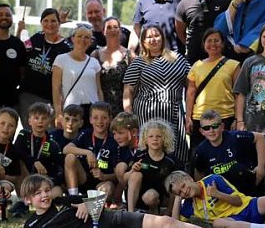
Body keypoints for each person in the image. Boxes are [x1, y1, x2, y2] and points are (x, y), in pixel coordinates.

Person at [22, 174, 249, 228]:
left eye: (46, 190)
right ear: (27, 200)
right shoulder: (32, 225)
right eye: (38, 194)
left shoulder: (63, 201)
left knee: (167, 222)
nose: (44, 196)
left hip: (114, 218)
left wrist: (85, 204)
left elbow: (98, 196)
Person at [122, 24, 191, 163]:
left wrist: (189, 114)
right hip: (147, 114)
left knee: (176, 152)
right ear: (143, 41)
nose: (153, 40)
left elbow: (191, 86)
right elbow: (128, 90)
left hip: (173, 112)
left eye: (156, 36)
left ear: (162, 38)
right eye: (149, 37)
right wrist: (128, 114)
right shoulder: (138, 62)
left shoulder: (178, 59)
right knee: (148, 151)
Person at [166, 170, 265, 228]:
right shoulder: (189, 204)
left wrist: (217, 194)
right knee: (217, 223)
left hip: (248, 207)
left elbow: (238, 201)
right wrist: (177, 198)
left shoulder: (213, 180)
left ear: (189, 178)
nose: (184, 192)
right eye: (180, 192)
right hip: (234, 220)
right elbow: (175, 225)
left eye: (183, 186)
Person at [185, 28, 240, 152]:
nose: (213, 44)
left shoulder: (234, 65)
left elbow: (238, 94)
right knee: (199, 154)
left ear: (223, 43)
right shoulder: (196, 66)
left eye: (216, 40)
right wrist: (188, 117)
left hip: (225, 116)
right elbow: (191, 93)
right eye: (209, 41)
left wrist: (237, 118)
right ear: (204, 44)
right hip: (200, 117)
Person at [17, 7, 73, 127]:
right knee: (30, 131)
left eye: (53, 21)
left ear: (59, 23)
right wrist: (20, 31)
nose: (49, 24)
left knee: (46, 134)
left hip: (49, 100)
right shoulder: (36, 37)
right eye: (46, 21)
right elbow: (22, 51)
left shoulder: (66, 47)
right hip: (27, 95)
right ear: (41, 23)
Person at [191, 109, 265, 196]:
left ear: (222, 127)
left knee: (237, 169)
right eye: (206, 128)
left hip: (244, 185)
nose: (211, 130)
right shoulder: (201, 150)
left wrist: (261, 167)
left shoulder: (235, 137)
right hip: (221, 192)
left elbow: (260, 137)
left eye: (215, 126)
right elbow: (199, 173)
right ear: (202, 131)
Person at [175, 0, 232, 64]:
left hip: (220, 59)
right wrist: (190, 44)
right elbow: (179, 29)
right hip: (193, 59)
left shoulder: (225, 1)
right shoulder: (185, 3)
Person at [0, 3, 27, 135]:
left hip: (11, 103)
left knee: (6, 140)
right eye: (0, 14)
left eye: (8, 15)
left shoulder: (18, 44)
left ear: (12, 19)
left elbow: (22, 72)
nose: (4, 17)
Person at [52, 24, 102, 126]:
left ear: (90, 41)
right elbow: (56, 88)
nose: (83, 39)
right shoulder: (61, 59)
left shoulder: (94, 62)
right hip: (71, 110)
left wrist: (102, 110)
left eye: (87, 37)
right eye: (79, 36)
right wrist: (58, 113)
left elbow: (98, 90)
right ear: (72, 39)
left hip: (92, 110)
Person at [62, 102, 116, 197]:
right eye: (95, 118)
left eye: (104, 118)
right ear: (90, 119)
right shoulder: (85, 134)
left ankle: (95, 203)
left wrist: (104, 176)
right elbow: (66, 149)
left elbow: (118, 175)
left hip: (102, 182)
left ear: (110, 119)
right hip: (83, 178)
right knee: (70, 157)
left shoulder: (114, 140)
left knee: (108, 187)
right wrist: (88, 153)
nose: (99, 121)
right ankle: (73, 197)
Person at [126, 118, 178, 213]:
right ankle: (130, 213)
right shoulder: (140, 155)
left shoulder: (170, 161)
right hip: (137, 195)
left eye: (159, 136)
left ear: (165, 138)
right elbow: (124, 178)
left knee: (151, 196)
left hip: (156, 196)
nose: (155, 139)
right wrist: (132, 170)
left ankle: (154, 211)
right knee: (136, 175)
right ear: (145, 139)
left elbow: (175, 187)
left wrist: (169, 211)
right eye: (151, 136)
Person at [14, 102, 64, 198]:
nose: (40, 121)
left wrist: (51, 182)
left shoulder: (52, 143)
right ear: (29, 121)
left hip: (44, 182)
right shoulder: (23, 135)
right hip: (26, 180)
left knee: (57, 192)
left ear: (49, 122)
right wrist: (34, 161)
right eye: (36, 118)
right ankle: (23, 200)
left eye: (44, 118)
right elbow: (16, 151)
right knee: (19, 161)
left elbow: (59, 168)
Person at [90, 16, 133, 116]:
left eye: (116, 27)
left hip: (124, 108)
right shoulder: (95, 55)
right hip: (101, 108)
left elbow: (133, 85)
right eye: (109, 27)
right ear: (103, 31)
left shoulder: (129, 56)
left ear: (120, 30)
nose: (113, 30)